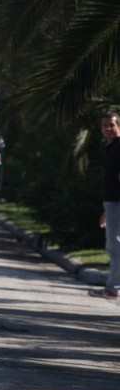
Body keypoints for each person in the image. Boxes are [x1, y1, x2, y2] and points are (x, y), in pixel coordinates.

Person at [91, 111, 120, 300]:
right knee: (113, 245)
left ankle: (114, 288)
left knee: (115, 246)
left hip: (118, 201)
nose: (108, 129)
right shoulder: (110, 147)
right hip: (112, 202)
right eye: (105, 125)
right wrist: (105, 210)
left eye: (112, 125)